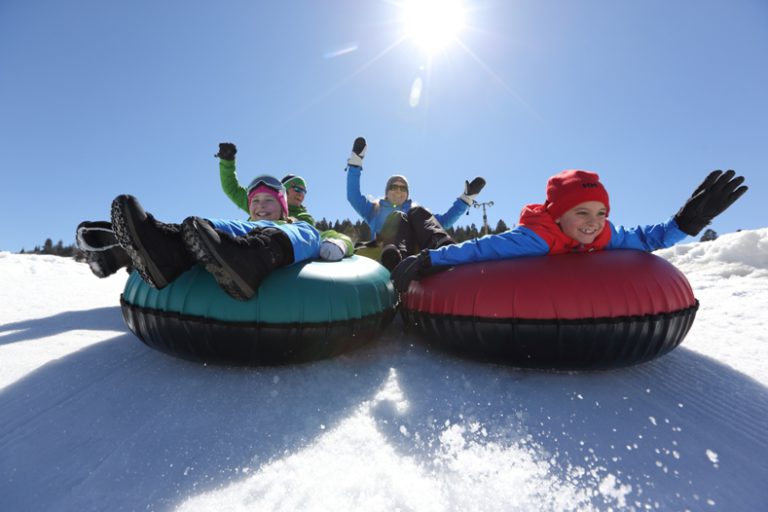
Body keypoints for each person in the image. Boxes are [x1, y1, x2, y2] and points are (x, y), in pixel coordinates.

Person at [390, 169, 748, 292]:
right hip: (440, 244)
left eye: (601, 212)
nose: (594, 221)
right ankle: (408, 236)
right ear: (559, 216)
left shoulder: (603, 234)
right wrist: (430, 258)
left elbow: (646, 239)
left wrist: (686, 223)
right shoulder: (536, 237)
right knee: (423, 222)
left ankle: (413, 230)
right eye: (582, 212)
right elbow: (481, 249)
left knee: (421, 223)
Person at [110, 175, 335, 300]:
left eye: (269, 201)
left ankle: (252, 262)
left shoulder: (294, 222)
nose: (261, 206)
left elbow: (332, 236)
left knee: (307, 231)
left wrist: (337, 243)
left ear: (283, 207)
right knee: (209, 226)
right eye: (255, 201)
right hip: (245, 240)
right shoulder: (246, 224)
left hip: (283, 244)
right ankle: (166, 250)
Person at [345, 136, 486, 268]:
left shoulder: (416, 212)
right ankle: (394, 256)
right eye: (394, 187)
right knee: (396, 217)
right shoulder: (375, 210)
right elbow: (353, 196)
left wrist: (466, 199)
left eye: (403, 188)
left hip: (412, 256)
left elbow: (443, 222)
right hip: (385, 257)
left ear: (407, 194)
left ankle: (445, 253)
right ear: (386, 192)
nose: (398, 191)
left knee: (419, 214)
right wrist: (355, 163)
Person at [216, 142, 315, 225]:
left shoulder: (305, 218)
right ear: (284, 191)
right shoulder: (258, 202)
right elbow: (231, 188)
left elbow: (311, 234)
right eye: (297, 189)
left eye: (304, 191)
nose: (301, 194)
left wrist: (329, 239)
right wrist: (227, 161)